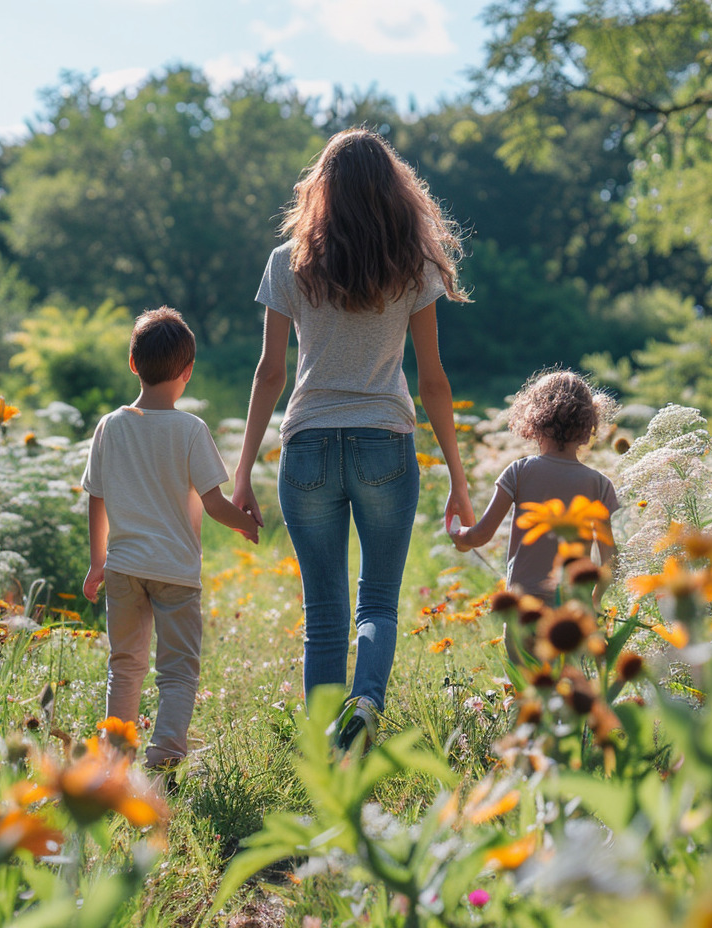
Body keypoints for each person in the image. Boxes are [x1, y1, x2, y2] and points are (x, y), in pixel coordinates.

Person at [231, 128, 474, 752]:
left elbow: (270, 372)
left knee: (324, 617)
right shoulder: (413, 267)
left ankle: (321, 754)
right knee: (378, 604)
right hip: (384, 445)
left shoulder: (288, 262)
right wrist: (458, 476)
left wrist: (241, 474)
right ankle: (364, 703)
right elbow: (434, 380)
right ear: (395, 193)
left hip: (307, 444)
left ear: (322, 191)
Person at [82, 306, 259, 772]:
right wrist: (245, 523)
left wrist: (97, 561)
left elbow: (95, 499)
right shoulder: (191, 430)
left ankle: (113, 757)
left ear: (133, 363)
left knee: (125, 666)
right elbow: (215, 501)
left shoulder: (111, 426)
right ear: (188, 372)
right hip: (176, 574)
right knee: (178, 671)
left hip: (122, 568)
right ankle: (165, 754)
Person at [451, 369, 619, 609]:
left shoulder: (519, 472)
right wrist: (595, 599)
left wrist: (459, 536)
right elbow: (610, 561)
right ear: (588, 424)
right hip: (574, 611)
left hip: (525, 608)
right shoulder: (600, 485)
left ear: (533, 418)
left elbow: (481, 535)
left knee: (523, 648)